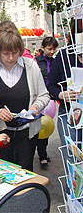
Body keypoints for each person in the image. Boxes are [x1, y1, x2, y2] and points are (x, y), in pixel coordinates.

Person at [0, 30, 50, 171]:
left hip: (27, 131)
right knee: (2, 169)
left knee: (25, 169)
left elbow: (44, 95)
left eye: (15, 53)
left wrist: (35, 107)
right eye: (6, 54)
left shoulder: (31, 66)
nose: (10, 58)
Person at [47, 18, 83, 147]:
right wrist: (60, 94)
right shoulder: (64, 56)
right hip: (70, 114)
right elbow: (50, 84)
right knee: (72, 156)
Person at [35, 36, 58, 169]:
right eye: (49, 48)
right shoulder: (36, 62)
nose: (52, 51)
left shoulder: (56, 62)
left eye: (54, 49)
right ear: (43, 48)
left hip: (51, 100)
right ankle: (39, 153)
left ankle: (43, 154)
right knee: (38, 127)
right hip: (39, 99)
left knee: (47, 126)